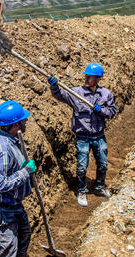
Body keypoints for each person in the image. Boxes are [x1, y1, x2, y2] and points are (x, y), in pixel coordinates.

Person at [47, 63, 117, 207]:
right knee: (81, 167)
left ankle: (99, 187)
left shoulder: (105, 94)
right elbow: (60, 95)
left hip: (99, 135)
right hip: (82, 137)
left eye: (89, 77)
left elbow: (112, 112)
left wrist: (101, 111)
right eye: (85, 76)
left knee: (103, 164)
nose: (86, 79)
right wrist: (54, 86)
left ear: (98, 79)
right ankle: (82, 190)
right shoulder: (76, 92)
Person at [0, 100, 36, 257]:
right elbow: (1, 184)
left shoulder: (11, 140)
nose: (26, 120)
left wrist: (22, 167)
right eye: (23, 119)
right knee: (7, 252)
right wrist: (25, 171)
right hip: (2, 209)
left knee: (24, 236)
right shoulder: (3, 149)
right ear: (15, 125)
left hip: (13, 204)